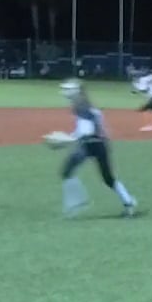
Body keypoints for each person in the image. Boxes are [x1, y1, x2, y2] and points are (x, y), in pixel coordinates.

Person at [57, 80, 138, 218]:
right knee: (107, 178)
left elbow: (87, 131)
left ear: (75, 91)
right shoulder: (83, 104)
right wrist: (72, 136)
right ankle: (128, 202)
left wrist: (68, 139)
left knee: (68, 171)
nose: (65, 92)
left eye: (67, 90)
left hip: (91, 144)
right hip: (98, 144)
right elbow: (86, 128)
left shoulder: (81, 106)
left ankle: (79, 201)